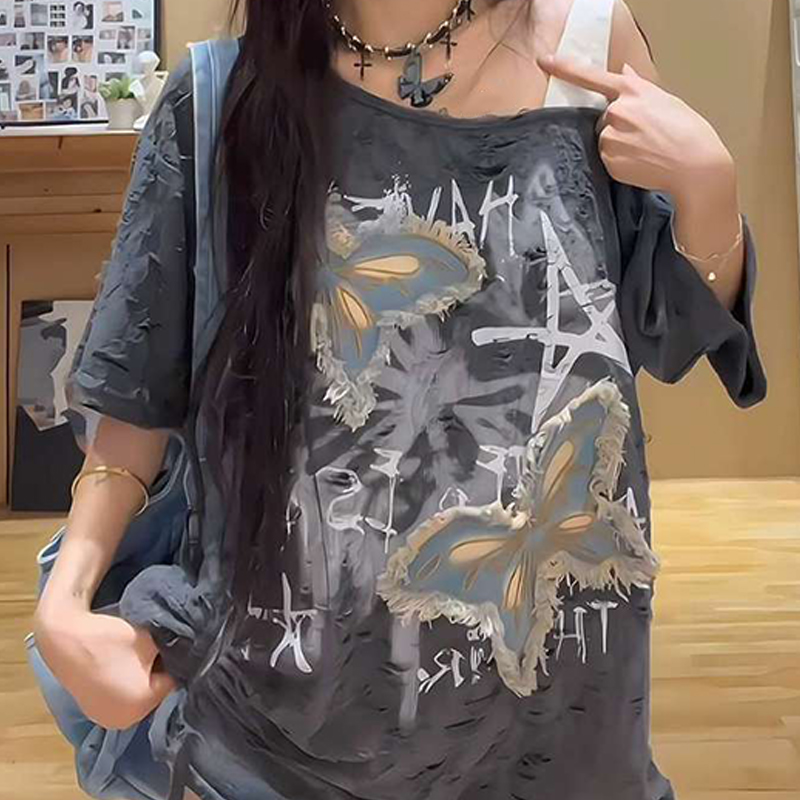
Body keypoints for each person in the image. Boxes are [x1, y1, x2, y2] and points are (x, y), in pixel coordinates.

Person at [31, 1, 767, 799]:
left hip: (561, 736)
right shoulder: (223, 97)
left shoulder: (587, 45)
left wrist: (708, 188)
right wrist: (65, 600)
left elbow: (671, 329)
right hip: (278, 737)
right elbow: (136, 394)